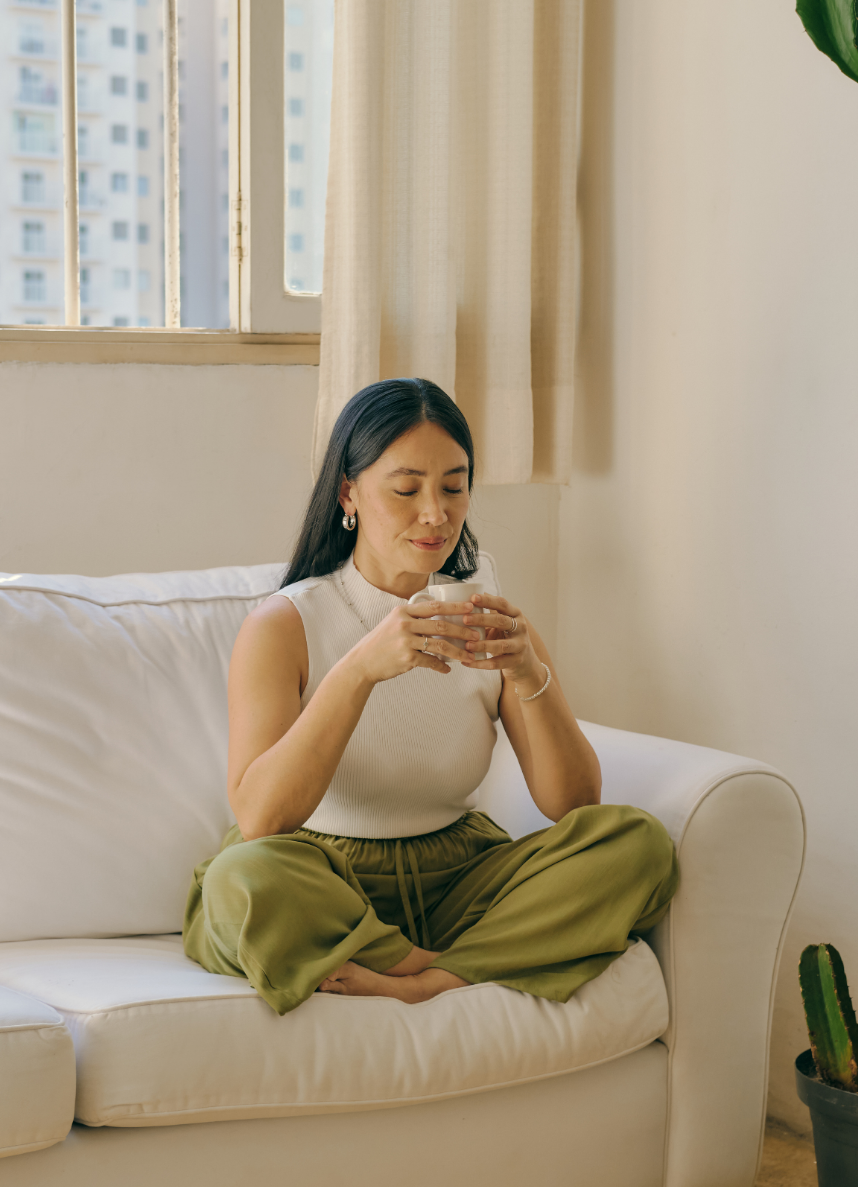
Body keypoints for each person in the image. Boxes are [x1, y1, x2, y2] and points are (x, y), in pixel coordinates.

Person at [183, 378, 678, 1015]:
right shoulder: (284, 625)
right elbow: (261, 820)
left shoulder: (482, 605)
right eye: (406, 488)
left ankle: (426, 979)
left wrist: (527, 672)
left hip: (458, 877)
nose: (435, 514)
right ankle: (457, 965)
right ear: (349, 492)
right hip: (324, 882)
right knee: (242, 882)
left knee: (635, 843)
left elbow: (575, 804)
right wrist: (360, 671)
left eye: (453, 486)